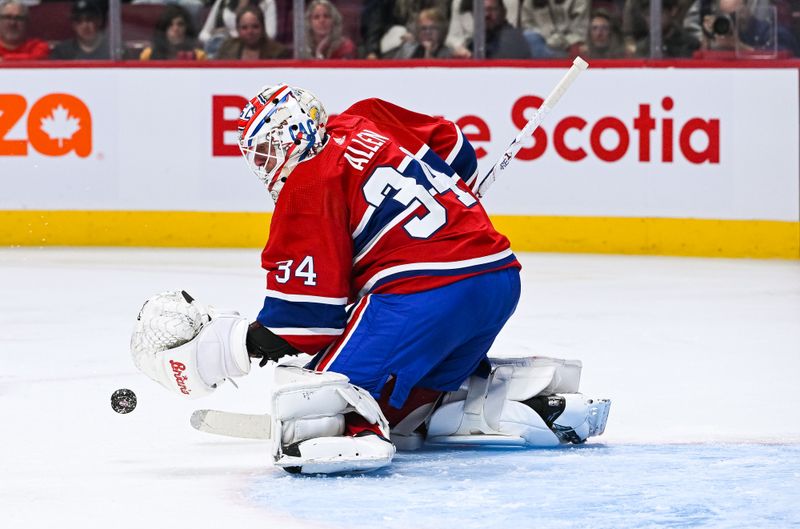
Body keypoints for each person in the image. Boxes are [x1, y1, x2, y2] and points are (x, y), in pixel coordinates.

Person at [130, 84, 610, 474]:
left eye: (270, 148)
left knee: (314, 398)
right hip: (497, 275)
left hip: (426, 293)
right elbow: (456, 150)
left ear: (295, 133)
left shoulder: (307, 185)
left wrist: (226, 348)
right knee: (411, 414)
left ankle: (349, 431)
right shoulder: (367, 116)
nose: (267, 164)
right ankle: (513, 403)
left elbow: (305, 322)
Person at [199, 0, 277, 57]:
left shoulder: (266, 2)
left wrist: (232, 36)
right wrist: (214, 37)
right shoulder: (222, 2)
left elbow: (270, 34)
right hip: (222, 49)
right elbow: (203, 34)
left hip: (255, 49)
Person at [518, 0, 589, 58]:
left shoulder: (579, 2)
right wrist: (546, 36)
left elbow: (580, 29)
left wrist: (563, 40)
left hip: (568, 44)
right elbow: (527, 25)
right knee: (530, 36)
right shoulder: (529, 2)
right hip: (541, 44)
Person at [215, 4, 288, 60]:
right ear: (238, 30)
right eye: (244, 28)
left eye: (255, 26)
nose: (250, 32)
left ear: (263, 28)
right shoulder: (227, 47)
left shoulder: (279, 52)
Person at [140, 4, 206, 60]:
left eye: (180, 24)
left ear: (187, 29)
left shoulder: (199, 57)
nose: (175, 29)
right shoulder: (147, 55)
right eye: (170, 25)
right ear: (163, 29)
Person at [385, 7, 453, 58]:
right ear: (418, 31)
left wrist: (429, 53)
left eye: (433, 28)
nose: (428, 32)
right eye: (423, 28)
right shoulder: (407, 49)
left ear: (441, 31)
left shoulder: (449, 54)